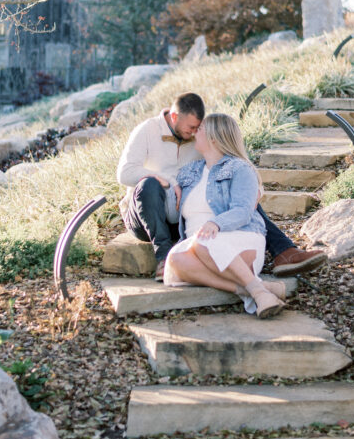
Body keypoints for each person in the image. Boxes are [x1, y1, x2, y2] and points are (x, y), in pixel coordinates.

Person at [116, 91, 326, 280]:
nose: (194, 132)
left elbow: (231, 162)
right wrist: (166, 180)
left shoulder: (198, 138)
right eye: (191, 128)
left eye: (199, 128)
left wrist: (255, 190)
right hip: (147, 216)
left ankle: (284, 252)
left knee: (243, 199)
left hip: (180, 217)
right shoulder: (146, 130)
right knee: (149, 185)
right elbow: (124, 173)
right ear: (174, 117)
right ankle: (163, 257)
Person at [164, 113, 285, 318]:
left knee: (203, 241)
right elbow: (169, 198)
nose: (194, 132)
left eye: (200, 129)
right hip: (199, 246)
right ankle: (255, 289)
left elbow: (243, 210)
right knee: (175, 259)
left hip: (240, 239)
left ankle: (257, 292)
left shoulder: (239, 168)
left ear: (213, 137)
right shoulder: (189, 171)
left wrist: (216, 223)